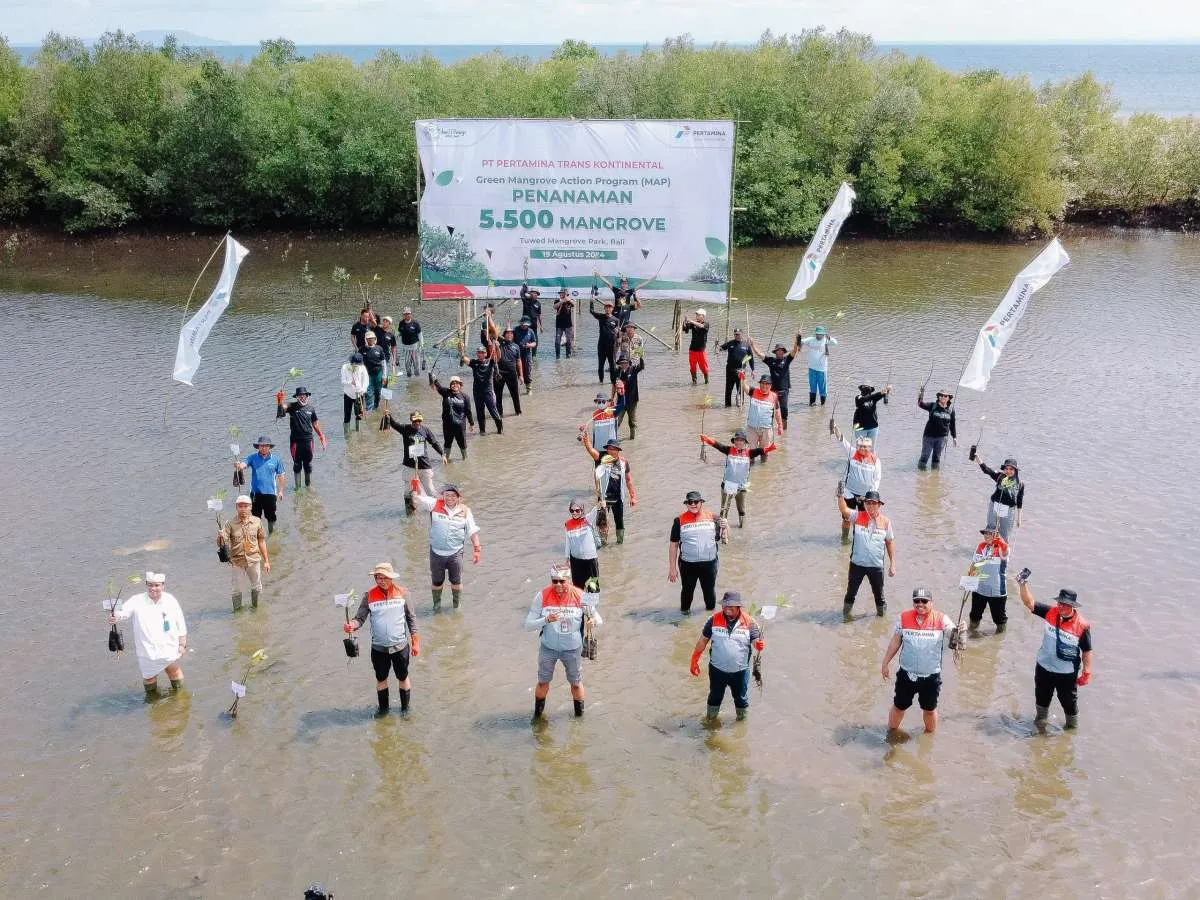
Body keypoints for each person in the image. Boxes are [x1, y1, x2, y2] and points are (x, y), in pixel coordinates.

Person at [880, 588, 964, 736]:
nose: (920, 604)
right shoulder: (903, 617)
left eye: (924, 601)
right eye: (916, 601)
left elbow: (954, 637)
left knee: (930, 710)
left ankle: (929, 740)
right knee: (899, 707)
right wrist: (885, 663)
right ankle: (891, 734)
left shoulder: (941, 619)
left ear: (931, 602)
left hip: (931, 677)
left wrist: (960, 631)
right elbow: (895, 641)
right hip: (907, 674)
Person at [1018, 580, 1093, 731]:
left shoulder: (1082, 626)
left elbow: (1087, 650)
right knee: (1041, 698)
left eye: (1065, 604)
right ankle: (1040, 725)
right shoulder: (1050, 612)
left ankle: (1071, 730)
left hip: (1066, 674)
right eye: (1059, 603)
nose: (1061, 606)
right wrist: (1022, 583)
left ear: (1072, 606)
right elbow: (1029, 602)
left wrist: (1087, 671)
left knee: (1069, 703)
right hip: (1044, 667)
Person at [345, 562, 418, 717]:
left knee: (403, 677)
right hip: (378, 648)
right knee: (381, 679)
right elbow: (360, 618)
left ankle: (405, 710)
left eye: (384, 577)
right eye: (378, 578)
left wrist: (415, 642)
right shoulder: (369, 595)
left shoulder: (403, 593)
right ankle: (383, 712)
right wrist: (351, 625)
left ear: (391, 578)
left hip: (400, 646)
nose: (381, 581)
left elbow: (411, 619)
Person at [525, 564, 589, 722]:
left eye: (562, 581)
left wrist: (592, 621)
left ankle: (579, 721)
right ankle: (537, 718)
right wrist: (546, 619)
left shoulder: (580, 595)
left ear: (569, 580)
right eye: (555, 581)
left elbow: (597, 618)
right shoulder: (542, 595)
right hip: (549, 648)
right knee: (542, 682)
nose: (558, 585)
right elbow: (527, 625)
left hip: (572, 649)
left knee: (575, 683)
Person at [109, 572, 187, 698]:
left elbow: (180, 623)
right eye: (150, 585)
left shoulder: (170, 600)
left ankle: (179, 700)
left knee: (174, 672)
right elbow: (123, 612)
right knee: (149, 678)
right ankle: (152, 702)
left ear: (163, 586)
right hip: (147, 649)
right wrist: (115, 617)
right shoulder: (137, 600)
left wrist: (182, 644)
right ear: (146, 585)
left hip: (168, 646)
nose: (153, 588)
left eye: (156, 585)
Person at [689, 591, 763, 721]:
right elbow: (702, 641)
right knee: (714, 697)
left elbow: (756, 642)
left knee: (741, 699)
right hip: (717, 670)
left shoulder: (750, 623)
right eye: (724, 605)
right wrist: (694, 660)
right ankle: (710, 721)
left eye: (730, 606)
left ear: (738, 607)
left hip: (740, 672)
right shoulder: (713, 620)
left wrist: (759, 645)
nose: (726, 608)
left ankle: (741, 726)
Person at [411, 480, 481, 610]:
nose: (449, 498)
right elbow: (420, 498)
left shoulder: (465, 511)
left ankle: (456, 606)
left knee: (456, 581)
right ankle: (436, 606)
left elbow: (472, 531)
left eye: (453, 496)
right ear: (443, 495)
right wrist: (416, 487)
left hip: (455, 553)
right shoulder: (435, 504)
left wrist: (477, 549)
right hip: (436, 553)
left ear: (459, 497)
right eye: (447, 495)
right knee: (437, 582)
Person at [837, 489, 895, 617]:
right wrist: (840, 496)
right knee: (850, 593)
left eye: (874, 503)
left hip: (876, 567)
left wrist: (892, 564)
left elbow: (889, 542)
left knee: (879, 597)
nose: (871, 506)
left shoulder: (885, 522)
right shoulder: (857, 516)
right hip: (857, 565)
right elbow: (844, 510)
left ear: (879, 505)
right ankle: (845, 618)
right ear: (864, 504)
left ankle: (881, 621)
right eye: (868, 503)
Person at [698, 429, 771, 526]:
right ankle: (722, 531)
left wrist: (773, 447)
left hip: (741, 487)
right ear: (734, 441)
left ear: (745, 442)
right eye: (737, 440)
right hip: (727, 486)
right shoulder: (728, 450)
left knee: (741, 509)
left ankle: (742, 526)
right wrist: (706, 439)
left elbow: (762, 450)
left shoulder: (749, 452)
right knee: (724, 509)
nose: (739, 442)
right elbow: (716, 444)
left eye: (741, 440)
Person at [668, 491, 722, 613]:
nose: (693, 504)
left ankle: (709, 618)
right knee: (687, 592)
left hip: (709, 563)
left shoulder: (714, 518)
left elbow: (724, 538)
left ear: (701, 502)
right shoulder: (679, 521)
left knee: (709, 592)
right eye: (690, 502)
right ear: (686, 504)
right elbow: (673, 545)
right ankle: (684, 618)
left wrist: (726, 525)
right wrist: (672, 568)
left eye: (696, 502)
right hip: (688, 564)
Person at [581, 430, 637, 545]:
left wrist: (633, 496)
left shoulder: (624, 462)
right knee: (602, 522)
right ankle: (603, 543)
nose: (610, 450)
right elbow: (591, 450)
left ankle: (619, 543)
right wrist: (586, 440)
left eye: (613, 448)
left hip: (618, 498)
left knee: (619, 523)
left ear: (618, 450)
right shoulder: (602, 457)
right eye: (609, 448)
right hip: (603, 498)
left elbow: (628, 480)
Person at [216, 495, 271, 611]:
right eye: (240, 506)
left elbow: (261, 541)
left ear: (250, 507)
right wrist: (220, 536)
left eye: (245, 506)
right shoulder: (230, 524)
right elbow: (221, 543)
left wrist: (266, 561)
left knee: (257, 586)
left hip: (254, 560)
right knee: (236, 590)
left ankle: (255, 609)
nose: (243, 509)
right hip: (237, 562)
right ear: (236, 507)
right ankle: (237, 612)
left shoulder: (257, 521)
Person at [385, 410, 446, 501]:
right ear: (411, 420)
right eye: (415, 421)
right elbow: (393, 424)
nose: (417, 423)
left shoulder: (425, 430)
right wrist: (388, 415)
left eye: (419, 421)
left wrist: (442, 454)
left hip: (424, 465)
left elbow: (434, 443)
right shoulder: (405, 428)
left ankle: (438, 509)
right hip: (410, 466)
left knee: (431, 491)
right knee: (408, 493)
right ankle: (410, 513)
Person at [275, 385, 327, 489]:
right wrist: (280, 401)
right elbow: (281, 413)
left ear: (307, 396)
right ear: (297, 397)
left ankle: (308, 488)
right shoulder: (292, 406)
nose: (302, 397)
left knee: (308, 465)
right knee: (297, 465)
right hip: (295, 442)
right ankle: (297, 489)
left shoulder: (311, 409)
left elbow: (315, 423)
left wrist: (322, 436)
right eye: (300, 395)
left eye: (304, 395)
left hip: (308, 441)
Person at [235, 436, 286, 535]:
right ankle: (257, 538)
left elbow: (281, 476)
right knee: (254, 518)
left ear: (269, 447)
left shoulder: (276, 460)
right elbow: (244, 464)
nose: (263, 448)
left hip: (270, 495)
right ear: (258, 446)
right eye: (261, 446)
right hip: (255, 495)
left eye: (266, 446)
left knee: (271, 517)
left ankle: (272, 535)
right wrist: (238, 465)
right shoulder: (252, 458)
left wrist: (280, 491)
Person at [750, 333, 801, 430]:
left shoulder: (787, 359)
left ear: (783, 352)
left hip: (784, 390)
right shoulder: (771, 360)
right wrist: (752, 344)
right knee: (770, 411)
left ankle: (784, 430)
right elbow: (759, 354)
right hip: (773, 391)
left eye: (781, 351)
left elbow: (795, 350)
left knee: (784, 410)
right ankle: (769, 429)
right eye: (778, 351)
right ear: (775, 352)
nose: (780, 352)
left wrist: (797, 339)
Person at [968, 523, 1010, 633]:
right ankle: (972, 633)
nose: (986, 536)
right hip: (979, 589)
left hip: (997, 592)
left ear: (996, 534)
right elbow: (974, 565)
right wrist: (969, 581)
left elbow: (1006, 552)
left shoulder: (1001, 547)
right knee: (974, 616)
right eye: (985, 533)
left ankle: (1000, 637)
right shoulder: (981, 546)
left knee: (999, 619)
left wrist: (1000, 542)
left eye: (989, 533)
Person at [832, 426, 882, 510]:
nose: (862, 448)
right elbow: (842, 441)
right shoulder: (853, 452)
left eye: (865, 447)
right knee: (847, 520)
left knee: (863, 521)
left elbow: (877, 479)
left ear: (870, 448)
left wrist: (870, 495)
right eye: (860, 446)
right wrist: (835, 428)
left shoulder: (876, 461)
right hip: (849, 493)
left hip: (865, 496)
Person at [976, 455, 1024, 540]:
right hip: (994, 505)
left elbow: (1019, 501)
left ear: (1015, 471)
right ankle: (989, 546)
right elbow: (986, 470)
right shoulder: (1000, 477)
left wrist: (1019, 518)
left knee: (1005, 534)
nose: (1008, 471)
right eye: (1006, 469)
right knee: (990, 530)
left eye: (1011, 469)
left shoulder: (1020, 484)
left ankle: (1003, 547)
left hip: (1009, 509)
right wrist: (976, 456)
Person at [430, 374, 473, 460]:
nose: (455, 385)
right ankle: (446, 460)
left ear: (460, 385)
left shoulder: (465, 397)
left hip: (460, 426)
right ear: (450, 385)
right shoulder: (446, 392)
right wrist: (431, 376)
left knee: (462, 444)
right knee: (447, 444)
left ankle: (465, 460)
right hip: (447, 426)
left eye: (457, 383)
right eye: (452, 383)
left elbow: (468, 411)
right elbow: (436, 384)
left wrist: (471, 423)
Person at [462, 344, 503, 434]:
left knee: (493, 411)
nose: (480, 354)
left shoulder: (490, 361)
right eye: (478, 353)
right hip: (477, 392)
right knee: (480, 412)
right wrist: (461, 350)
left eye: (482, 353)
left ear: (485, 354)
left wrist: (497, 347)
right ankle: (482, 432)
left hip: (488, 391)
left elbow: (499, 356)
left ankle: (500, 431)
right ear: (477, 354)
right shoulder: (474, 362)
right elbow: (465, 359)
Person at [563, 499, 602, 588]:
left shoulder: (588, 519)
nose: (575, 513)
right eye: (572, 510)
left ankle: (592, 601)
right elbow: (568, 542)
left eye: (577, 510)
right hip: (576, 561)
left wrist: (600, 504)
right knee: (578, 588)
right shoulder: (568, 524)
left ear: (582, 510)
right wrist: (567, 559)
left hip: (590, 560)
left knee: (593, 587)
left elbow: (595, 509)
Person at [743, 373, 783, 458]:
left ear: (770, 385)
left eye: (767, 384)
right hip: (752, 428)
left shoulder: (774, 396)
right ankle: (751, 468)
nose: (765, 385)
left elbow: (777, 412)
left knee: (764, 453)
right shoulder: (754, 391)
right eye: (763, 383)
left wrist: (780, 426)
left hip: (766, 430)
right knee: (750, 453)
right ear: (760, 384)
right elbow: (745, 388)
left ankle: (764, 469)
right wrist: (742, 379)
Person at [916, 387, 956, 470]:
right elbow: (920, 404)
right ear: (938, 397)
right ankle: (921, 477)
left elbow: (952, 424)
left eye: (945, 396)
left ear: (948, 398)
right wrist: (921, 393)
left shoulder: (951, 410)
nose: (943, 397)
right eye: (941, 395)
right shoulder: (932, 406)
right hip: (929, 436)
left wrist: (954, 437)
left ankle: (935, 477)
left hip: (942, 438)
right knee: (925, 456)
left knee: (936, 458)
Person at [800, 325, 838, 406]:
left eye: (820, 334)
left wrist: (830, 337)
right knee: (812, 387)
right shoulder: (811, 340)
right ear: (815, 334)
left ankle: (822, 405)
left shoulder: (826, 341)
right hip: (811, 368)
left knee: (822, 388)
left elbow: (835, 343)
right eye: (817, 334)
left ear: (823, 334)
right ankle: (812, 404)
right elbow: (801, 341)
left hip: (822, 369)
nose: (818, 335)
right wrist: (799, 341)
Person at [718, 327, 755, 407]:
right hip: (730, 370)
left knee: (741, 389)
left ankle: (740, 404)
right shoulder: (730, 343)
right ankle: (727, 406)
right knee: (728, 389)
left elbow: (751, 358)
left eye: (738, 334)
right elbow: (720, 348)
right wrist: (717, 347)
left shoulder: (747, 345)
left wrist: (753, 370)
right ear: (734, 335)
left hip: (741, 371)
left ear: (742, 334)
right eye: (735, 334)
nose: (737, 336)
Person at [589, 295, 620, 383]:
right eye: (606, 307)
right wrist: (591, 301)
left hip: (611, 346)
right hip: (601, 346)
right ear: (604, 308)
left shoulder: (616, 320)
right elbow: (591, 311)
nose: (608, 309)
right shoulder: (601, 317)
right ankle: (601, 382)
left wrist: (618, 335)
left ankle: (613, 382)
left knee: (612, 365)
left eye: (609, 307)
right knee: (600, 366)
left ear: (612, 309)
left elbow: (618, 334)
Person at [494, 325, 524, 416]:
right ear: (504, 335)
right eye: (507, 333)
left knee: (515, 395)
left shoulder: (516, 347)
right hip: (499, 373)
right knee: (498, 395)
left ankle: (518, 412)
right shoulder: (500, 342)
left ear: (513, 335)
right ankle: (499, 413)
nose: (509, 335)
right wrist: (489, 316)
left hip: (512, 374)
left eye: (511, 333)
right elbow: (494, 331)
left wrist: (521, 375)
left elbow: (519, 362)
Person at [614, 353, 645, 440]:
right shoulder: (617, 372)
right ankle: (613, 440)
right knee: (617, 422)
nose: (624, 364)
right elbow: (614, 386)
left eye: (625, 362)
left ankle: (632, 440)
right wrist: (612, 398)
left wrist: (641, 357)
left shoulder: (634, 369)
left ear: (628, 363)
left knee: (632, 422)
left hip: (632, 401)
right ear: (619, 363)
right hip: (621, 402)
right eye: (622, 363)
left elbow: (641, 367)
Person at [852, 383, 891, 448]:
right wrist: (881, 392)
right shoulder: (858, 397)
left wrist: (886, 391)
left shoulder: (873, 398)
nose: (867, 391)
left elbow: (880, 395)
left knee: (871, 450)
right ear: (861, 390)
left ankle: (872, 458)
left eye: (869, 389)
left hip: (873, 427)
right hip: (860, 428)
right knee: (860, 449)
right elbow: (866, 399)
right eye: (865, 389)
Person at [681, 309, 710, 385]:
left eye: (698, 315)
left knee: (704, 368)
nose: (696, 316)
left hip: (701, 350)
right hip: (692, 349)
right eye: (696, 314)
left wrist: (692, 321)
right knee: (692, 368)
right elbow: (685, 330)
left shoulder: (706, 323)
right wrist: (684, 322)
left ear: (703, 316)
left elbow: (701, 326)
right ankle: (694, 382)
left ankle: (706, 381)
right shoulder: (693, 323)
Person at [340, 352, 368, 428]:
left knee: (359, 415)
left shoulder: (362, 368)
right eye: (356, 364)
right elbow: (343, 381)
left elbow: (366, 381)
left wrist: (362, 390)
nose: (358, 366)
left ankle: (358, 432)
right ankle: (347, 436)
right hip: (348, 394)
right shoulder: (345, 367)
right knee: (347, 416)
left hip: (359, 395)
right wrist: (350, 382)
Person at [360, 330, 387, 411]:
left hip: (378, 373)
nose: (370, 340)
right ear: (366, 339)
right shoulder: (362, 349)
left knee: (378, 391)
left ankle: (376, 407)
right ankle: (369, 409)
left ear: (374, 339)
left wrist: (384, 376)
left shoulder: (379, 348)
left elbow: (384, 363)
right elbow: (359, 364)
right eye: (368, 338)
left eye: (372, 338)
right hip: (367, 374)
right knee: (368, 392)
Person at [513, 317, 538, 392]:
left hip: (527, 354)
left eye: (526, 325)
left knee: (527, 372)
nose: (524, 326)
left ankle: (528, 389)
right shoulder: (515, 330)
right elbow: (509, 338)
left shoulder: (531, 331)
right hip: (516, 354)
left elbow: (534, 343)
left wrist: (530, 345)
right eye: (523, 324)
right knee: (516, 372)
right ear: (520, 323)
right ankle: (516, 390)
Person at [397, 308, 424, 377]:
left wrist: (422, 344)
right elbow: (399, 332)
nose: (407, 315)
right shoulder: (401, 323)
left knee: (416, 363)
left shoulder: (415, 323)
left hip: (415, 347)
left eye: (408, 314)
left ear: (411, 314)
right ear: (403, 315)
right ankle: (409, 376)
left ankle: (417, 377)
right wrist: (395, 336)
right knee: (407, 363)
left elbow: (420, 334)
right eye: (405, 314)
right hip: (406, 347)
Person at [519, 284, 544, 349]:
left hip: (534, 325)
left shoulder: (538, 303)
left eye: (536, 293)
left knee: (535, 342)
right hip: (525, 325)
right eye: (533, 293)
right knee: (523, 340)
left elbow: (539, 315)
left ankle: (533, 356)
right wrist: (524, 288)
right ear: (530, 293)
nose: (535, 294)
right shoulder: (526, 300)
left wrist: (541, 326)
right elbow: (522, 294)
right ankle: (522, 355)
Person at [552, 287, 575, 358]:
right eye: (561, 293)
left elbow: (574, 304)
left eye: (563, 293)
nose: (561, 294)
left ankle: (568, 355)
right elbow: (554, 307)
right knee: (557, 341)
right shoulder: (557, 300)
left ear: (566, 294)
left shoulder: (569, 300)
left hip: (568, 324)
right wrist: (562, 301)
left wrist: (568, 300)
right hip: (559, 324)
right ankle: (557, 356)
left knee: (569, 340)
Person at [374, 315, 398, 380]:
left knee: (385, 374)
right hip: (376, 355)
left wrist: (394, 360)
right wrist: (369, 309)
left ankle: (384, 388)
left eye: (386, 321)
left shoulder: (391, 335)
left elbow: (393, 347)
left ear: (389, 324)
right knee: (376, 373)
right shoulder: (377, 329)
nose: (384, 322)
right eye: (383, 321)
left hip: (385, 357)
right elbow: (373, 321)